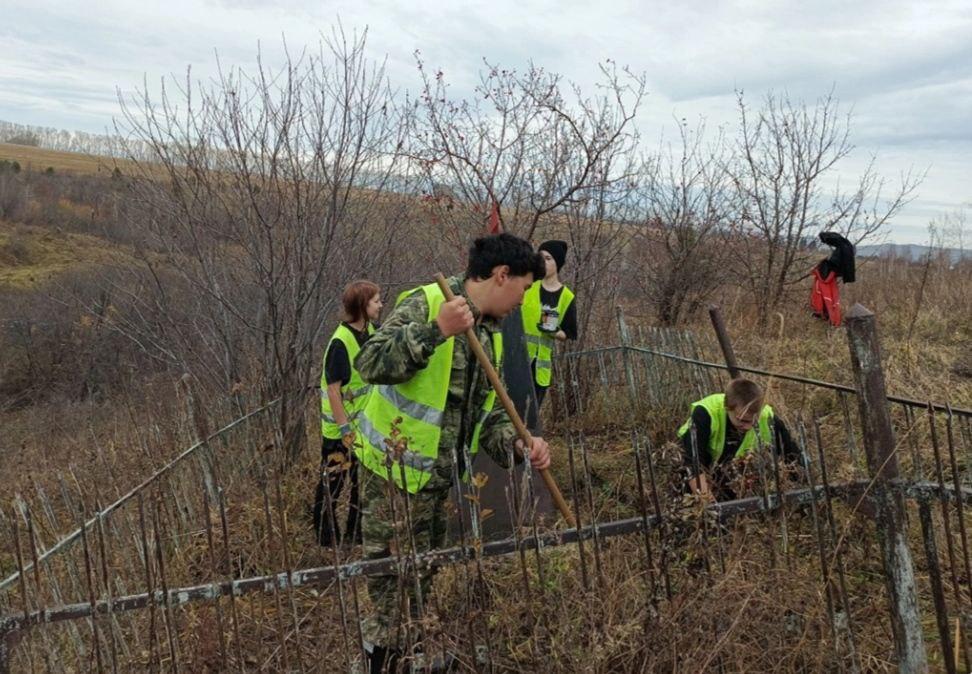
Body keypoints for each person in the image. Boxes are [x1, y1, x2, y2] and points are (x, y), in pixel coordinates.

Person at [353, 233, 552, 672]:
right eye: (523, 286)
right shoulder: (427, 304)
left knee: (423, 577)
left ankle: (414, 658)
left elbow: (488, 416)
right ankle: (380, 664)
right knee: (390, 585)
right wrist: (436, 331)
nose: (524, 298)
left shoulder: (491, 333)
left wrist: (519, 443)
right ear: (502, 276)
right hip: (393, 477)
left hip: (436, 482)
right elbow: (369, 363)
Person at [313, 280, 383, 548]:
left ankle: (355, 537)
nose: (380, 305)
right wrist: (344, 431)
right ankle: (325, 542)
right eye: (376, 301)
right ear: (363, 306)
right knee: (332, 486)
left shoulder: (372, 332)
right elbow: (333, 391)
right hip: (340, 433)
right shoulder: (340, 343)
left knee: (360, 485)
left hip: (364, 429)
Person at [677, 378, 802, 502]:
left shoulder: (767, 417)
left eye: (754, 421)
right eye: (742, 420)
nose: (748, 426)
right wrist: (711, 509)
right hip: (698, 462)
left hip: (732, 469)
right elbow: (692, 466)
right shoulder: (706, 413)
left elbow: (792, 457)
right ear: (727, 408)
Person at [521, 239, 577, 408]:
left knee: (531, 418)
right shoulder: (528, 285)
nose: (543, 262)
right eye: (540, 258)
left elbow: (568, 333)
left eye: (548, 258)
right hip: (516, 360)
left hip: (540, 369)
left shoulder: (567, 297)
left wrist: (552, 331)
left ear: (557, 263)